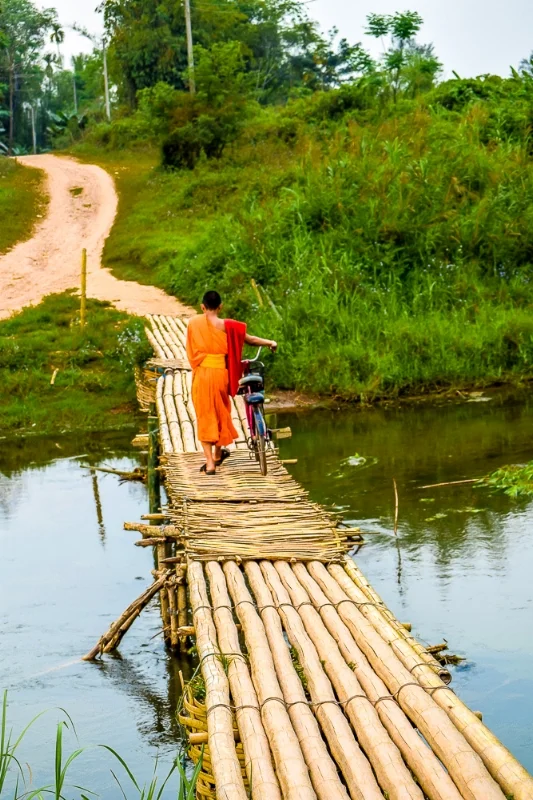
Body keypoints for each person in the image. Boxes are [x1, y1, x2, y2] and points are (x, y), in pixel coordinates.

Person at [186, 290, 277, 475]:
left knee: (205, 415)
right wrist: (270, 342)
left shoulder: (194, 323)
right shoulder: (229, 326)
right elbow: (250, 340)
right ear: (221, 306)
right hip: (221, 374)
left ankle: (210, 463)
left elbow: (191, 351)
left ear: (202, 307)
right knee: (221, 411)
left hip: (202, 374)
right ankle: (219, 455)